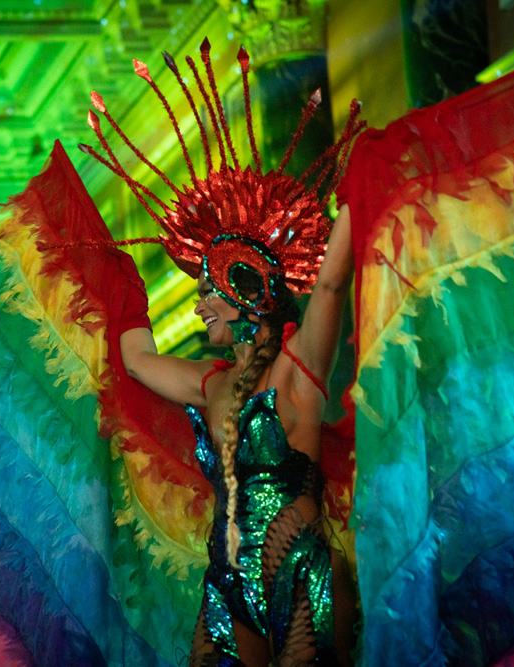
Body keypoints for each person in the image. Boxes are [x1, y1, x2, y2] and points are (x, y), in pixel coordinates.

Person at [119, 209, 357, 666]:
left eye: (206, 292)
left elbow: (330, 286)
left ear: (244, 287)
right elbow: (137, 361)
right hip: (228, 584)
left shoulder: (297, 368)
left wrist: (351, 201)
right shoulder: (212, 384)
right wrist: (120, 276)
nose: (198, 308)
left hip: (300, 573)